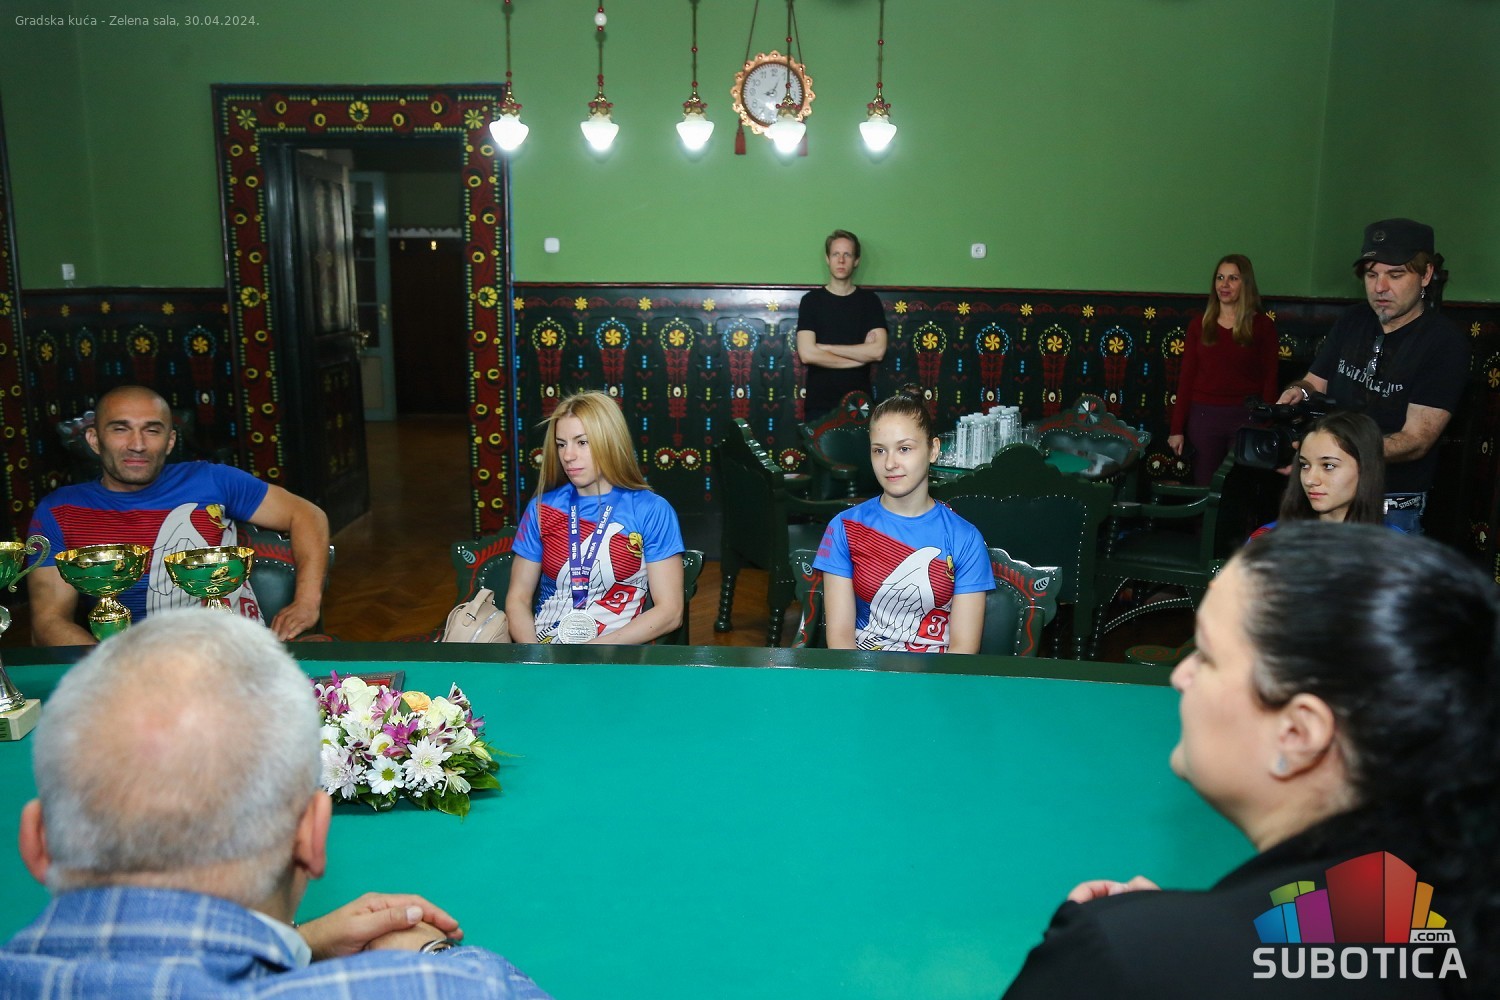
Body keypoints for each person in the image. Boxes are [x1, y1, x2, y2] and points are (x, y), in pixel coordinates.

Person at [1002, 523, 1500, 998]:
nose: (1180, 676)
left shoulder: (1118, 958)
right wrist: (1185, 933)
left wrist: (1141, 949)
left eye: (1206, 655)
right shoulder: (1457, 919)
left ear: (1298, 733)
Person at [0, 608, 551, 998]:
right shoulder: (452, 987)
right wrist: (436, 957)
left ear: (37, 842)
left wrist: (298, 944)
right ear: (311, 836)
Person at [27, 385, 330, 643]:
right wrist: (112, 668)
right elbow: (50, 620)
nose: (137, 445)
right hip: (130, 663)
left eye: (152, 430)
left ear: (170, 441)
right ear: (95, 440)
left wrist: (306, 602)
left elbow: (307, 515)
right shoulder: (59, 511)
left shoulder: (213, 481)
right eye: (120, 429)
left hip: (233, 650)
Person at [1277, 219, 1469, 534]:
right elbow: (1314, 383)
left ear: (1426, 275)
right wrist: (1298, 392)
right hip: (1328, 494)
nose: (1380, 287)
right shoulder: (1353, 320)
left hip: (1390, 504)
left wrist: (1334, 453)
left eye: (1395, 274)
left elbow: (1416, 440)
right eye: (1371, 274)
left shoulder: (1444, 342)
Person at [814, 388, 994, 653]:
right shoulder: (844, 528)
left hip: (939, 674)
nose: (890, 463)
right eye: (879, 451)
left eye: (904, 448)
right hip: (864, 670)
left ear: (933, 450)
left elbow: (963, 650)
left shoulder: (965, 538)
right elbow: (840, 640)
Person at [507, 389, 685, 644]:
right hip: (545, 648)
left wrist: (590, 654)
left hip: (614, 655)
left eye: (582, 442)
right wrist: (535, 657)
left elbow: (670, 612)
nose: (568, 456)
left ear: (610, 442)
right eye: (561, 444)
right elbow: (518, 598)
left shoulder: (651, 510)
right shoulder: (541, 509)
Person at [1168, 254, 1280, 486]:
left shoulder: (1262, 326)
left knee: (1239, 487)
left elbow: (1270, 377)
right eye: (1220, 278)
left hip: (1247, 417)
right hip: (1204, 417)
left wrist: (1265, 424)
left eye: (1233, 278)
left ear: (1245, 284)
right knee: (1204, 485)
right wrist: (1176, 428)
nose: (1224, 284)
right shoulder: (1199, 325)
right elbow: (1186, 379)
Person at [796, 229, 890, 421]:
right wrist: (859, 359)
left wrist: (826, 348)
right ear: (827, 259)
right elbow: (807, 354)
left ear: (856, 260)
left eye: (847, 254)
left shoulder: (870, 302)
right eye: (836, 254)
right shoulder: (811, 301)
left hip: (860, 404)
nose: (841, 260)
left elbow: (878, 351)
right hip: (819, 405)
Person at [1249, 411, 1388, 538]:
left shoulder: (1394, 547)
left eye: (1328, 466)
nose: (1309, 480)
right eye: (1304, 465)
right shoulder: (1267, 541)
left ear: (1365, 468)